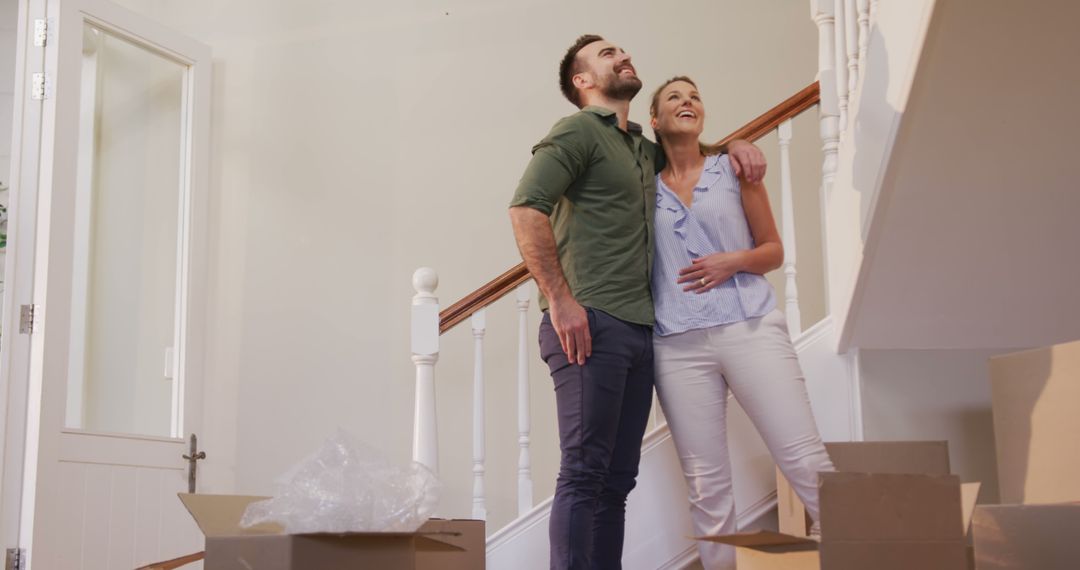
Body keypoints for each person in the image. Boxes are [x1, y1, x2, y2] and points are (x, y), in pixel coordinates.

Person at [508, 36, 766, 570]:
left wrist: (738, 142)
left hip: (640, 328)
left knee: (617, 480)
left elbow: (687, 149)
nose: (622, 56)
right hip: (589, 321)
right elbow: (525, 208)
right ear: (582, 81)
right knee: (584, 472)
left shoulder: (638, 146)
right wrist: (561, 299)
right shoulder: (579, 130)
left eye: (622, 50)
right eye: (606, 54)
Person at [647, 76, 836, 569]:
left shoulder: (734, 169)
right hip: (676, 344)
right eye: (674, 98)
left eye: (695, 96)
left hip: (749, 325)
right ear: (655, 121)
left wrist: (732, 261)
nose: (688, 102)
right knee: (707, 487)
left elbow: (773, 250)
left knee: (806, 461)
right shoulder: (642, 191)